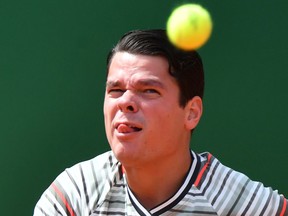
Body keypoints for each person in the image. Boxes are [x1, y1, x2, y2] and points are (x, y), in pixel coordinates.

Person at [34, 29, 287, 216]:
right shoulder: (74, 196)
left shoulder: (238, 203)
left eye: (149, 91)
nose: (126, 102)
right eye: (116, 90)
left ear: (191, 113)